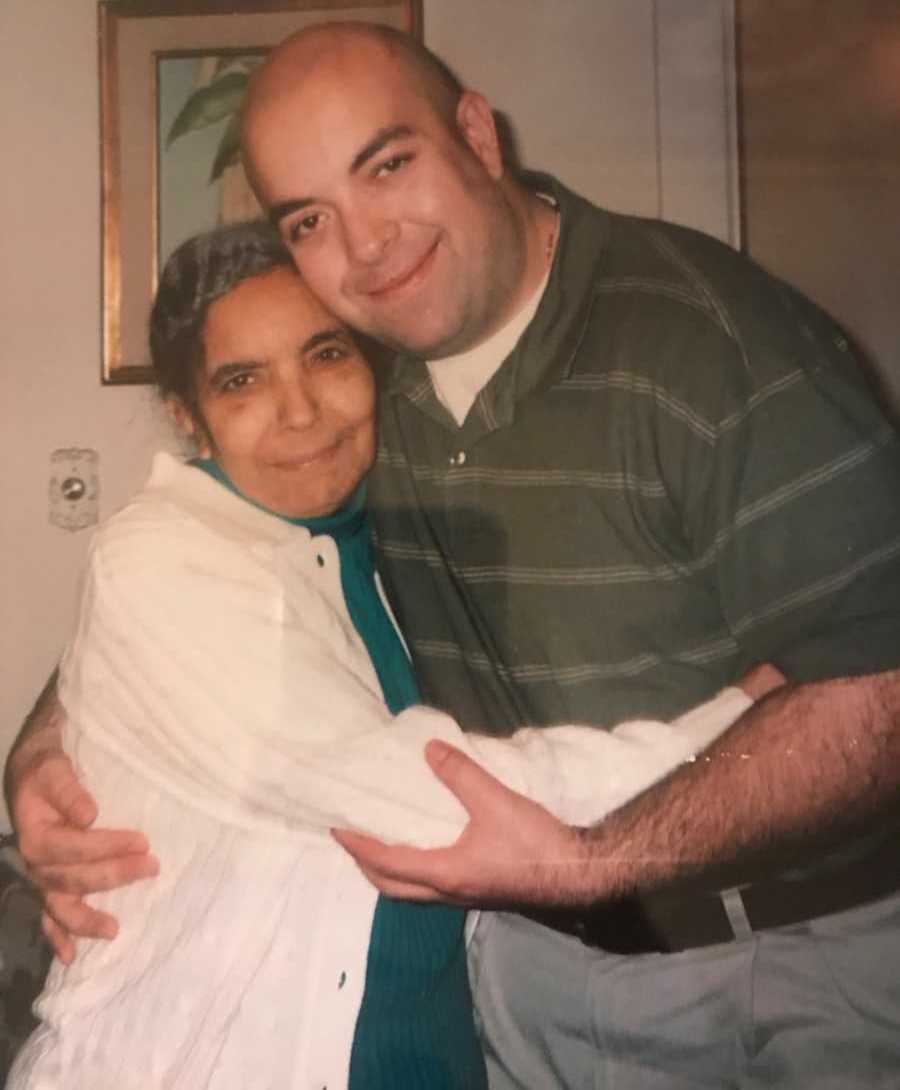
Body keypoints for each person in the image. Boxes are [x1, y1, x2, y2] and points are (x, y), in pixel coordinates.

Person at [8, 23, 900, 1086]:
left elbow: (881, 688)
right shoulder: (373, 377)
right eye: (312, 219)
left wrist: (597, 859)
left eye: (389, 165)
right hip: (522, 982)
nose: (369, 245)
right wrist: (46, 751)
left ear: (477, 134)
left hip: (779, 970)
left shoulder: (715, 343)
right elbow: (201, 593)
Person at [7, 222, 759, 1089]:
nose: (300, 410)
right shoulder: (158, 556)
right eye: (242, 381)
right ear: (189, 416)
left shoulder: (388, 536)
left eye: (325, 356)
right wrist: (754, 720)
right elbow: (434, 803)